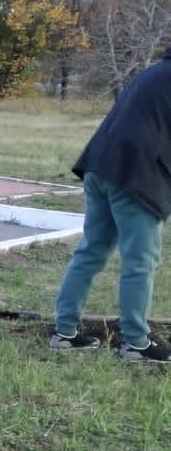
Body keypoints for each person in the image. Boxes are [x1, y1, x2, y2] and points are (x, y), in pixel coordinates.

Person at [51, 46, 171, 363]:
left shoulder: (154, 73)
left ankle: (63, 332)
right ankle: (135, 343)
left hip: (100, 166)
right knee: (140, 261)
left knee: (91, 250)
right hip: (135, 177)